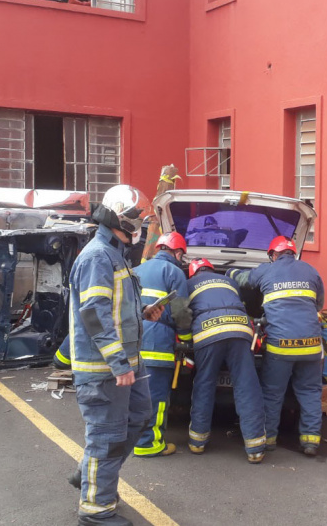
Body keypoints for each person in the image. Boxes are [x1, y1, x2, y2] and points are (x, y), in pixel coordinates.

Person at [69, 184, 163, 526]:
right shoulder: (98, 256)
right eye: (137, 217)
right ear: (120, 218)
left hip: (127, 366)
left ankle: (89, 473)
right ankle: (95, 510)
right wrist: (118, 364)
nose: (141, 224)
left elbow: (114, 310)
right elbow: (94, 314)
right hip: (105, 370)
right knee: (107, 438)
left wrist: (144, 312)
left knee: (138, 418)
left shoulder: (115, 255)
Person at [227, 236, 325, 456]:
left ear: (272, 255)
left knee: (272, 393)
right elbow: (319, 304)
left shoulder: (266, 270)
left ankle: (269, 439)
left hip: (281, 346)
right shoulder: (311, 271)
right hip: (311, 345)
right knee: (310, 392)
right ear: (293, 253)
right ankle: (311, 441)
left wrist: (229, 273)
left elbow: (243, 279)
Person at [185, 258, 266, 463]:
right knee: (247, 385)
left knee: (205, 383)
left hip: (208, 332)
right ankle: (255, 448)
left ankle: (197, 442)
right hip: (239, 329)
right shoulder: (229, 281)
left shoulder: (188, 284)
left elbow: (184, 314)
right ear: (212, 269)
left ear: (193, 273)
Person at [132, 232, 193, 457]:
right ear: (177, 252)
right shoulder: (174, 272)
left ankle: (132, 440)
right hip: (157, 344)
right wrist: (186, 339)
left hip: (132, 341)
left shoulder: (136, 270)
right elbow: (181, 312)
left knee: (135, 395)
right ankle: (149, 444)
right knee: (155, 397)